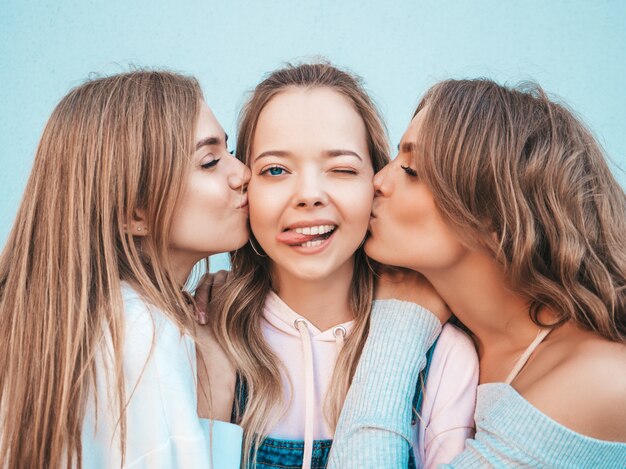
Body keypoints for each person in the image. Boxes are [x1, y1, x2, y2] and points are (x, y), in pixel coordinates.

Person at [328, 79, 626, 468]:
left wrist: (399, 322)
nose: (379, 182)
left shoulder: (599, 379)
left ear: (494, 214)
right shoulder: (458, 340)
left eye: (412, 170)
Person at [209, 62, 478, 469]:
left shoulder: (443, 355)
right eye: (276, 170)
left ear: (377, 181)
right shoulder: (201, 334)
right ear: (246, 186)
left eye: (342, 169)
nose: (309, 195)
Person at [0, 70, 249, 468]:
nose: (242, 173)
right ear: (134, 213)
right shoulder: (144, 336)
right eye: (210, 161)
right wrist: (218, 397)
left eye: (230, 151)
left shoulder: (76, 330)